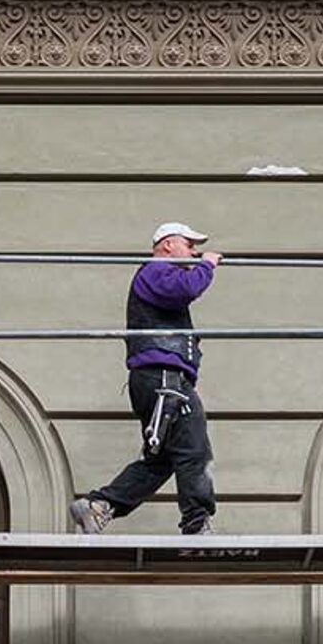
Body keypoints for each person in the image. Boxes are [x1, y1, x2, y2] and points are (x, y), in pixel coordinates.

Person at [69, 221, 222, 535]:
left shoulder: (156, 275)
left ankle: (101, 505)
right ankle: (196, 522)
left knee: (163, 459)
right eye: (188, 244)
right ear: (168, 245)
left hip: (163, 380)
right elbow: (186, 290)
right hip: (164, 380)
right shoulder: (155, 270)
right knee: (194, 448)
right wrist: (207, 266)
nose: (194, 251)